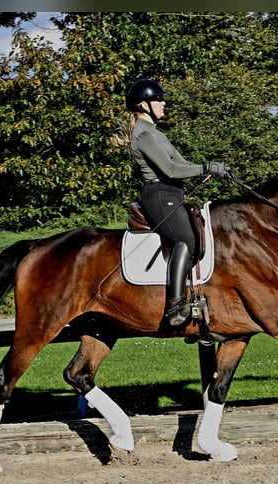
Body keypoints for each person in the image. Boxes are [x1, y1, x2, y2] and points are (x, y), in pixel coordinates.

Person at [115, 78, 231, 327]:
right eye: (158, 99)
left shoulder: (156, 133)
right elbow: (169, 169)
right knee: (186, 240)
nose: (163, 102)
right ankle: (175, 306)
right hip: (159, 195)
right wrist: (206, 167)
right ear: (143, 105)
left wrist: (209, 168)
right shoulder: (144, 135)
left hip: (172, 194)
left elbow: (182, 164)